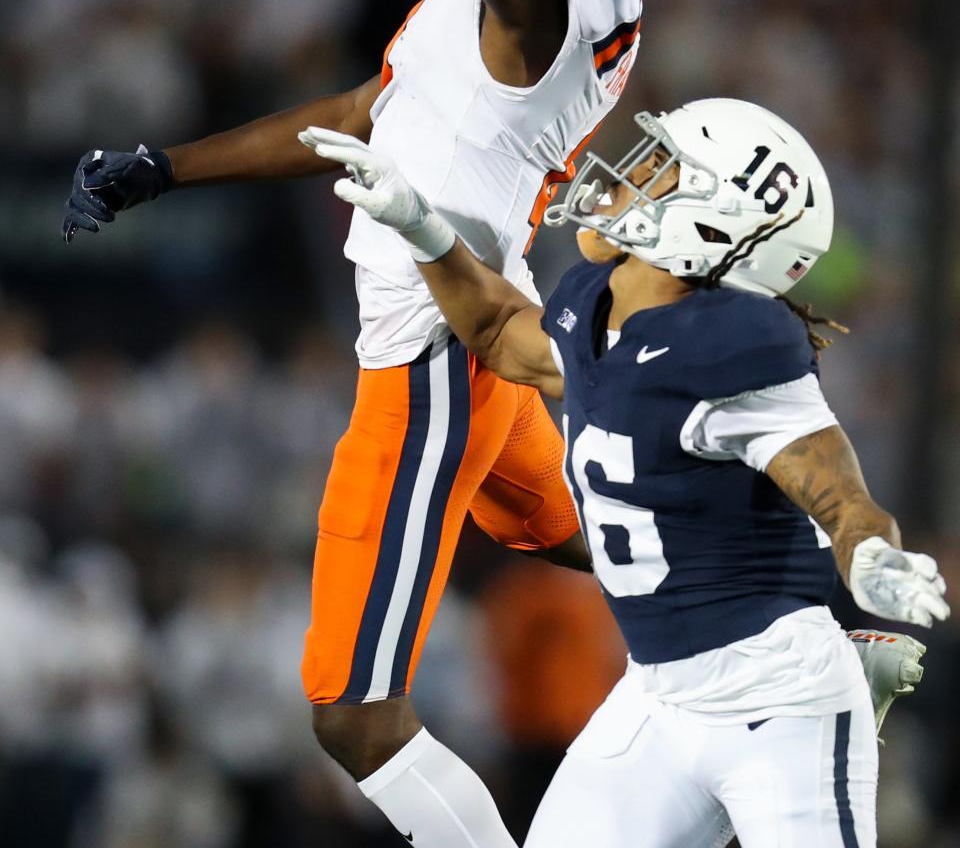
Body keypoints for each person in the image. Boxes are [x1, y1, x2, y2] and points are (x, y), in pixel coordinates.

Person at [61, 0, 727, 848]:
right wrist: (166, 165)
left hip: (434, 350)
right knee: (560, 518)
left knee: (350, 709)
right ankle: (767, 576)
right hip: (458, 330)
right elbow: (371, 107)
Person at [303, 96, 949, 848]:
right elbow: (501, 334)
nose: (631, 173)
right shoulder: (595, 302)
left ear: (712, 227)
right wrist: (422, 226)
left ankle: (848, 664)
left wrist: (869, 549)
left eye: (664, 168)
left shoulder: (735, 348)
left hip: (780, 697)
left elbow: (837, 492)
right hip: (657, 692)